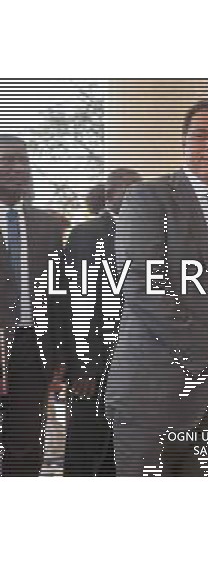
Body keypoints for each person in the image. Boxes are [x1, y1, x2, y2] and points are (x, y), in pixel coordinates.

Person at [104, 99, 208, 476]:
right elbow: (144, 290)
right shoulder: (145, 201)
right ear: (183, 141)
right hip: (151, 395)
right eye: (201, 135)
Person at [0, 135, 72, 476]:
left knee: (26, 443)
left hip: (32, 348)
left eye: (21, 160)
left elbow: (60, 298)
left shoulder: (47, 225)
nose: (15, 167)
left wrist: (60, 357)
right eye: (6, 160)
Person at [63, 168, 142, 476]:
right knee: (84, 445)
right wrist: (79, 365)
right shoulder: (87, 233)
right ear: (109, 195)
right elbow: (72, 303)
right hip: (93, 363)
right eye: (123, 191)